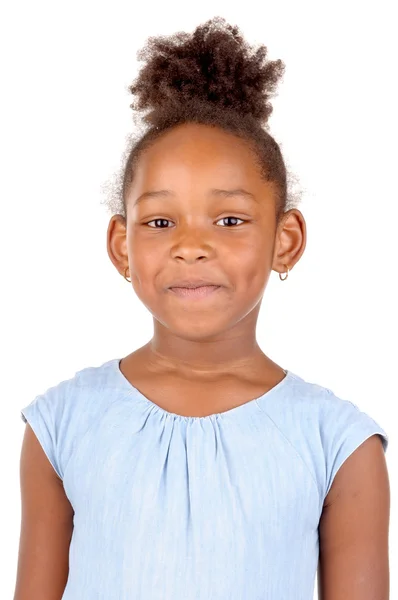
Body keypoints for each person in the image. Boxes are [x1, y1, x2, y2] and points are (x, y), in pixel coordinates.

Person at [14, 16, 390, 600]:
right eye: (161, 222)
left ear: (284, 240)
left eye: (230, 220)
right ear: (122, 246)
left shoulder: (337, 443)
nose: (191, 246)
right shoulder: (61, 426)